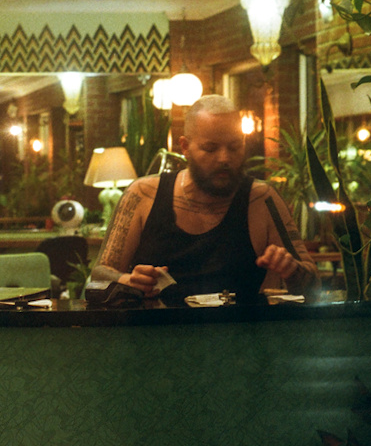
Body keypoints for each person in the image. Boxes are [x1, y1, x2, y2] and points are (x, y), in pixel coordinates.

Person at [91, 94, 315, 305]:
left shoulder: (262, 199)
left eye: (234, 147)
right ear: (185, 147)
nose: (224, 158)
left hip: (239, 332)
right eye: (210, 148)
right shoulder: (143, 194)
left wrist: (292, 270)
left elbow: (313, 283)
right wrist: (128, 280)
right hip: (156, 331)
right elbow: (99, 275)